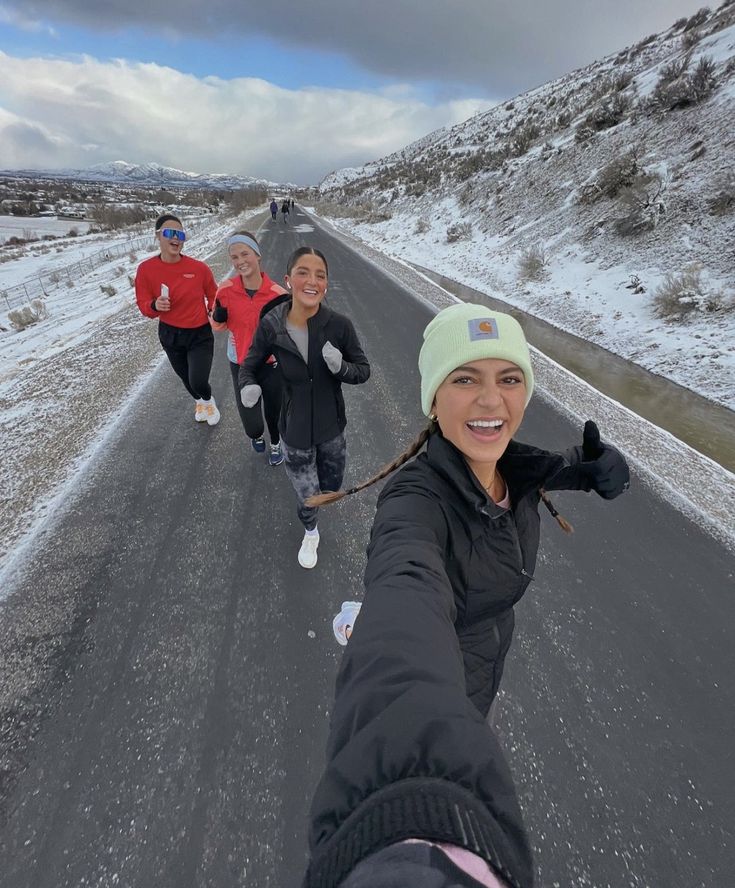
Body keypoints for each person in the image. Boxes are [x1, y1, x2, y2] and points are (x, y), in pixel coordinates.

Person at [308, 302, 630, 718]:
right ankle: (362, 622)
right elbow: (404, 572)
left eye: (510, 379)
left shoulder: (514, 470)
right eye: (464, 378)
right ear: (434, 402)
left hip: (490, 654)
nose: (492, 399)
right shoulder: (415, 499)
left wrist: (593, 468)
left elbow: (545, 469)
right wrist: (389, 657)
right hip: (443, 679)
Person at [239, 247, 370, 569]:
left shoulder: (339, 325)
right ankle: (310, 531)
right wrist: (248, 386)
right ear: (288, 280)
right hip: (294, 429)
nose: (312, 280)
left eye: (320, 275)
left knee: (331, 487)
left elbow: (363, 370)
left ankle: (317, 506)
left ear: (326, 285)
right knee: (307, 494)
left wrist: (341, 368)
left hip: (331, 428)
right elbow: (249, 365)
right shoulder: (271, 324)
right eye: (303, 272)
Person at [209, 230, 288, 465]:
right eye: (234, 257)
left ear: (257, 255)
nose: (240, 261)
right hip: (241, 361)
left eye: (245, 254)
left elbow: (289, 332)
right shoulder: (225, 290)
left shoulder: (278, 294)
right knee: (251, 422)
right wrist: (219, 316)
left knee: (275, 410)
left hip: (271, 364)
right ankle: (256, 435)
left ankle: (276, 443)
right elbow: (217, 325)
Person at [135, 213, 220, 425]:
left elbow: (213, 294)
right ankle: (200, 402)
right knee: (186, 379)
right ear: (158, 236)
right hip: (170, 334)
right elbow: (143, 304)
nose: (176, 238)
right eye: (170, 233)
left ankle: (208, 400)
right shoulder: (145, 270)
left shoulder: (199, 268)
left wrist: (212, 310)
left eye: (180, 234)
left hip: (199, 333)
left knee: (197, 379)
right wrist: (154, 305)